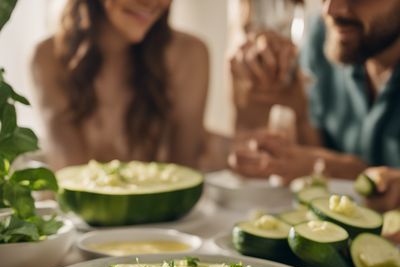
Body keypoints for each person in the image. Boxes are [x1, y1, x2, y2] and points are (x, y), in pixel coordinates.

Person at [32, 0, 227, 170]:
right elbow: (71, 174)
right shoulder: (47, 58)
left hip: (163, 211)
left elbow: (184, 167)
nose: (152, 2)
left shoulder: (190, 54)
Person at [229, 0, 400, 183]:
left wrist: (320, 165)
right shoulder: (326, 38)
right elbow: (308, 148)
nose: (330, 10)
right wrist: (275, 98)